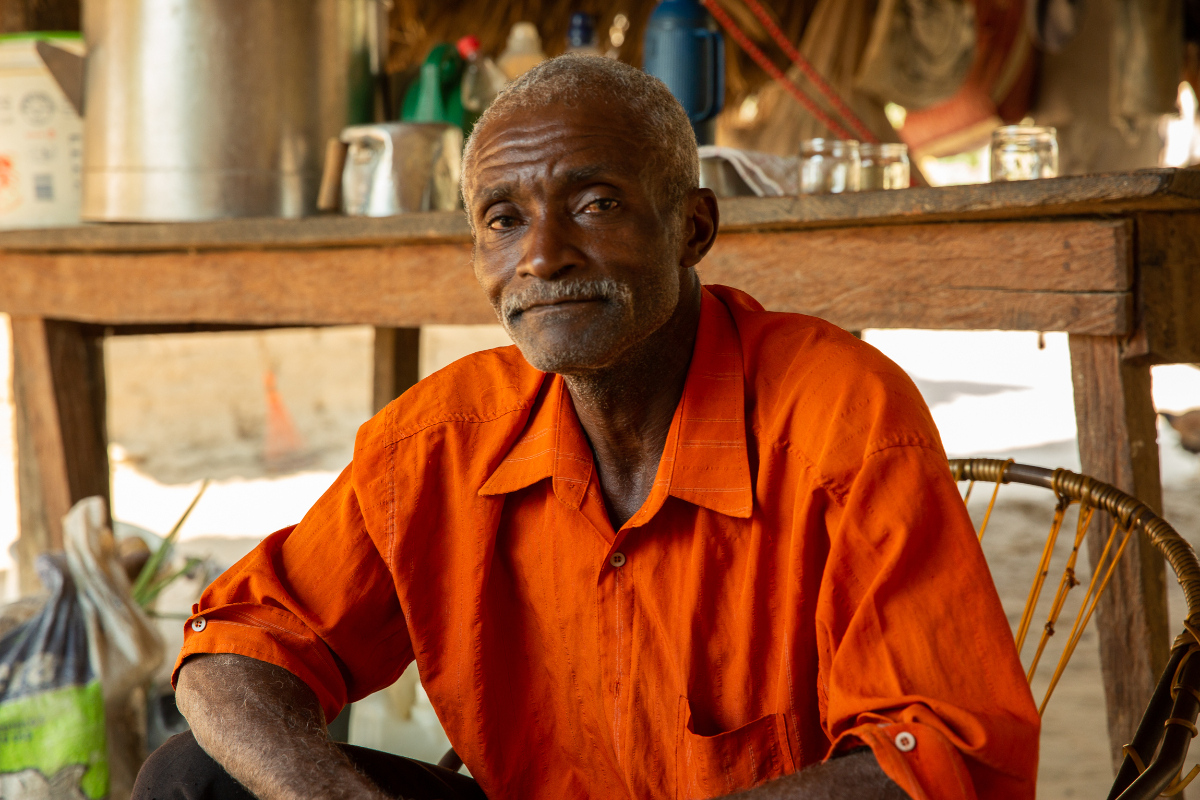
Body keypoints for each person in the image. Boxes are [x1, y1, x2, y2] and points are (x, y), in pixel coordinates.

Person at [135, 55, 1039, 800]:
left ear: (691, 228)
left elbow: (944, 756)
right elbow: (236, 650)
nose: (542, 256)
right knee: (192, 780)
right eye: (503, 220)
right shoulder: (444, 439)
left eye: (594, 204)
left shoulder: (843, 415)